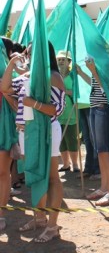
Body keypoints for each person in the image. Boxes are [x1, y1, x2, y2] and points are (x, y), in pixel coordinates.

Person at [1, 41, 66, 242]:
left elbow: (56, 110)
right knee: (34, 176)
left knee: (52, 177)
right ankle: (39, 218)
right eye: (26, 54)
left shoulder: (54, 77)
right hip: (26, 132)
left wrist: (33, 103)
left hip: (47, 132)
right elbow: (4, 88)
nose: (27, 57)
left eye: (31, 54)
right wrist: (11, 65)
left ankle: (52, 225)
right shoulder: (26, 76)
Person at [77, 61, 109, 206]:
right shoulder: (99, 65)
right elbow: (94, 84)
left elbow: (107, 89)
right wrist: (84, 72)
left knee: (105, 151)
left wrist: (93, 70)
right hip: (96, 108)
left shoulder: (107, 64)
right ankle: (104, 188)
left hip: (104, 109)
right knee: (100, 151)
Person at [0, 37, 25, 232]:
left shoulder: (13, 69)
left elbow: (11, 93)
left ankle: (0, 214)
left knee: (2, 172)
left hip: (4, 124)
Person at [56, 50, 79, 173]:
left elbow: (77, 93)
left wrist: (63, 90)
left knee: (71, 140)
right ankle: (66, 164)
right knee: (61, 141)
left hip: (71, 112)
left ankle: (75, 164)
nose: (60, 61)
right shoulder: (54, 75)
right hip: (58, 113)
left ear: (69, 62)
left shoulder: (73, 76)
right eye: (59, 59)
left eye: (63, 59)